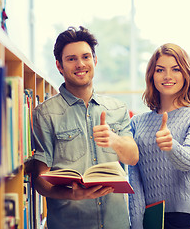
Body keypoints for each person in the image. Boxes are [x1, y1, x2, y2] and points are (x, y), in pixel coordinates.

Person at [29, 26, 139, 229]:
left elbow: (132, 157)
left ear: (95, 61)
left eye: (86, 57)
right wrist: (71, 193)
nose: (80, 64)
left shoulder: (117, 108)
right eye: (71, 59)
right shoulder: (44, 114)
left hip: (116, 224)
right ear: (59, 66)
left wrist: (113, 140)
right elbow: (40, 180)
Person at [128, 43, 190, 229]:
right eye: (160, 70)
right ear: (152, 75)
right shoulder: (137, 122)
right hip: (151, 218)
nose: (168, 76)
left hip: (187, 218)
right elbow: (134, 181)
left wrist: (170, 145)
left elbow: (188, 161)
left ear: (186, 74)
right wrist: (136, 224)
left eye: (176, 69)